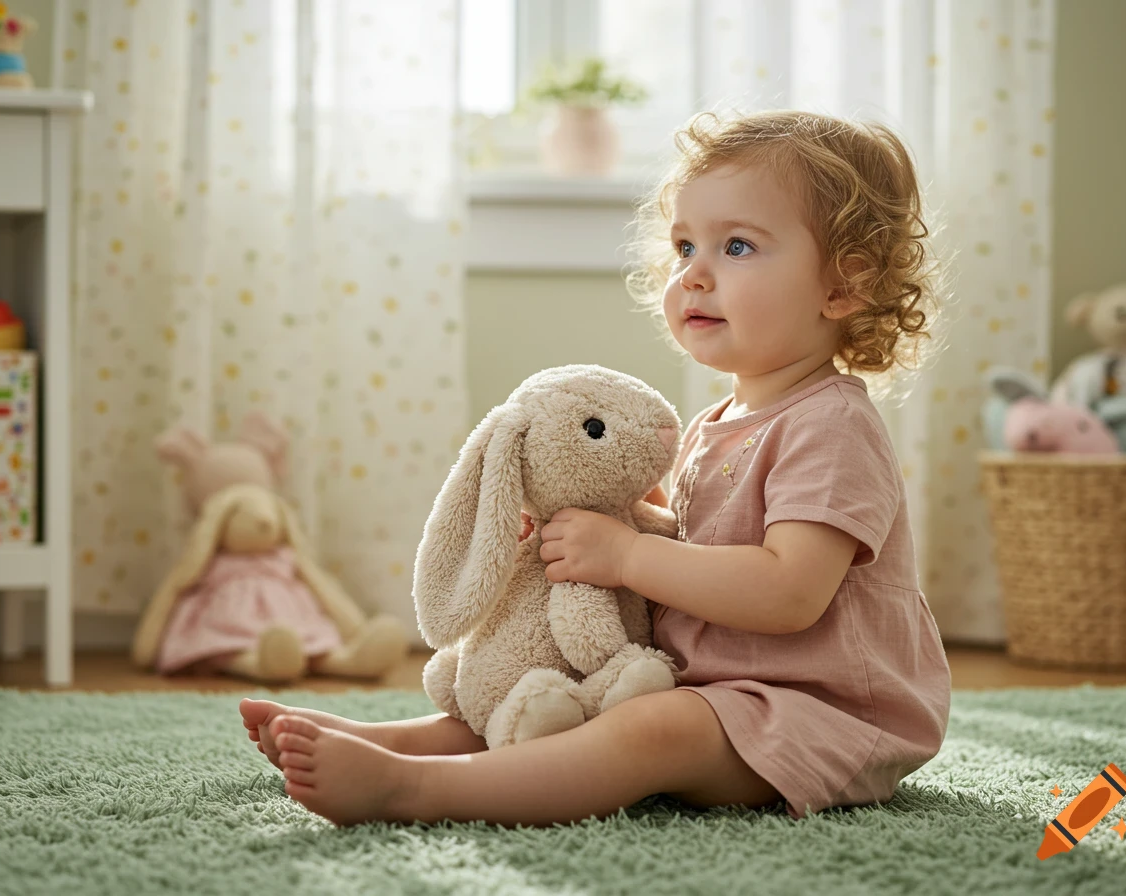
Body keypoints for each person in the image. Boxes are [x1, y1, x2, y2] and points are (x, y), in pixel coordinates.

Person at [238, 108, 951, 827]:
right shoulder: (713, 424)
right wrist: (596, 531)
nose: (694, 276)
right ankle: (383, 743)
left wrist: (628, 554)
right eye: (683, 248)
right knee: (543, 690)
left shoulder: (832, 424)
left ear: (844, 285)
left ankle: (415, 791)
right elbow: (703, 555)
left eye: (736, 246)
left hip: (819, 711)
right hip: (714, 685)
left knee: (651, 732)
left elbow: (786, 591)